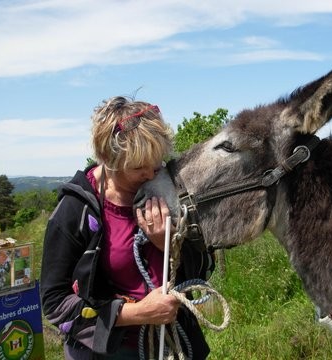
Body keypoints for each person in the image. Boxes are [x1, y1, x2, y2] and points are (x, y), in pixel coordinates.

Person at [40, 96, 213, 359]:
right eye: (138, 167)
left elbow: (204, 268)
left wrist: (166, 243)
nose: (151, 174)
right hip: (106, 351)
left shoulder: (169, 189)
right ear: (108, 160)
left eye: (156, 162)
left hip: (172, 344)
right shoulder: (76, 210)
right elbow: (55, 303)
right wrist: (138, 313)